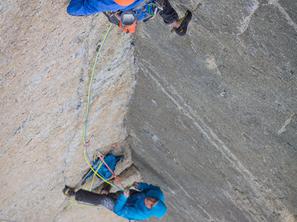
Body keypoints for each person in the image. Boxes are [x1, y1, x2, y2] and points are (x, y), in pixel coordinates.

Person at [66, 0, 192, 35]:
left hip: (126, 7)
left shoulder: (99, 4)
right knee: (132, 18)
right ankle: (175, 23)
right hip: (126, 6)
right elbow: (72, 9)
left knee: (132, 19)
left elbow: (73, 9)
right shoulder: (102, 4)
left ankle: (175, 23)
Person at [63, 182, 167, 221]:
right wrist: (140, 186)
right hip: (133, 196)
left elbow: (118, 210)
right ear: (157, 199)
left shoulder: (141, 214)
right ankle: (106, 191)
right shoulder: (157, 193)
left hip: (123, 208)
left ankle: (75, 194)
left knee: (103, 200)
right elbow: (149, 187)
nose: (149, 201)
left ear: (150, 210)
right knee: (114, 195)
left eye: (151, 205)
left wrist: (124, 198)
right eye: (153, 200)